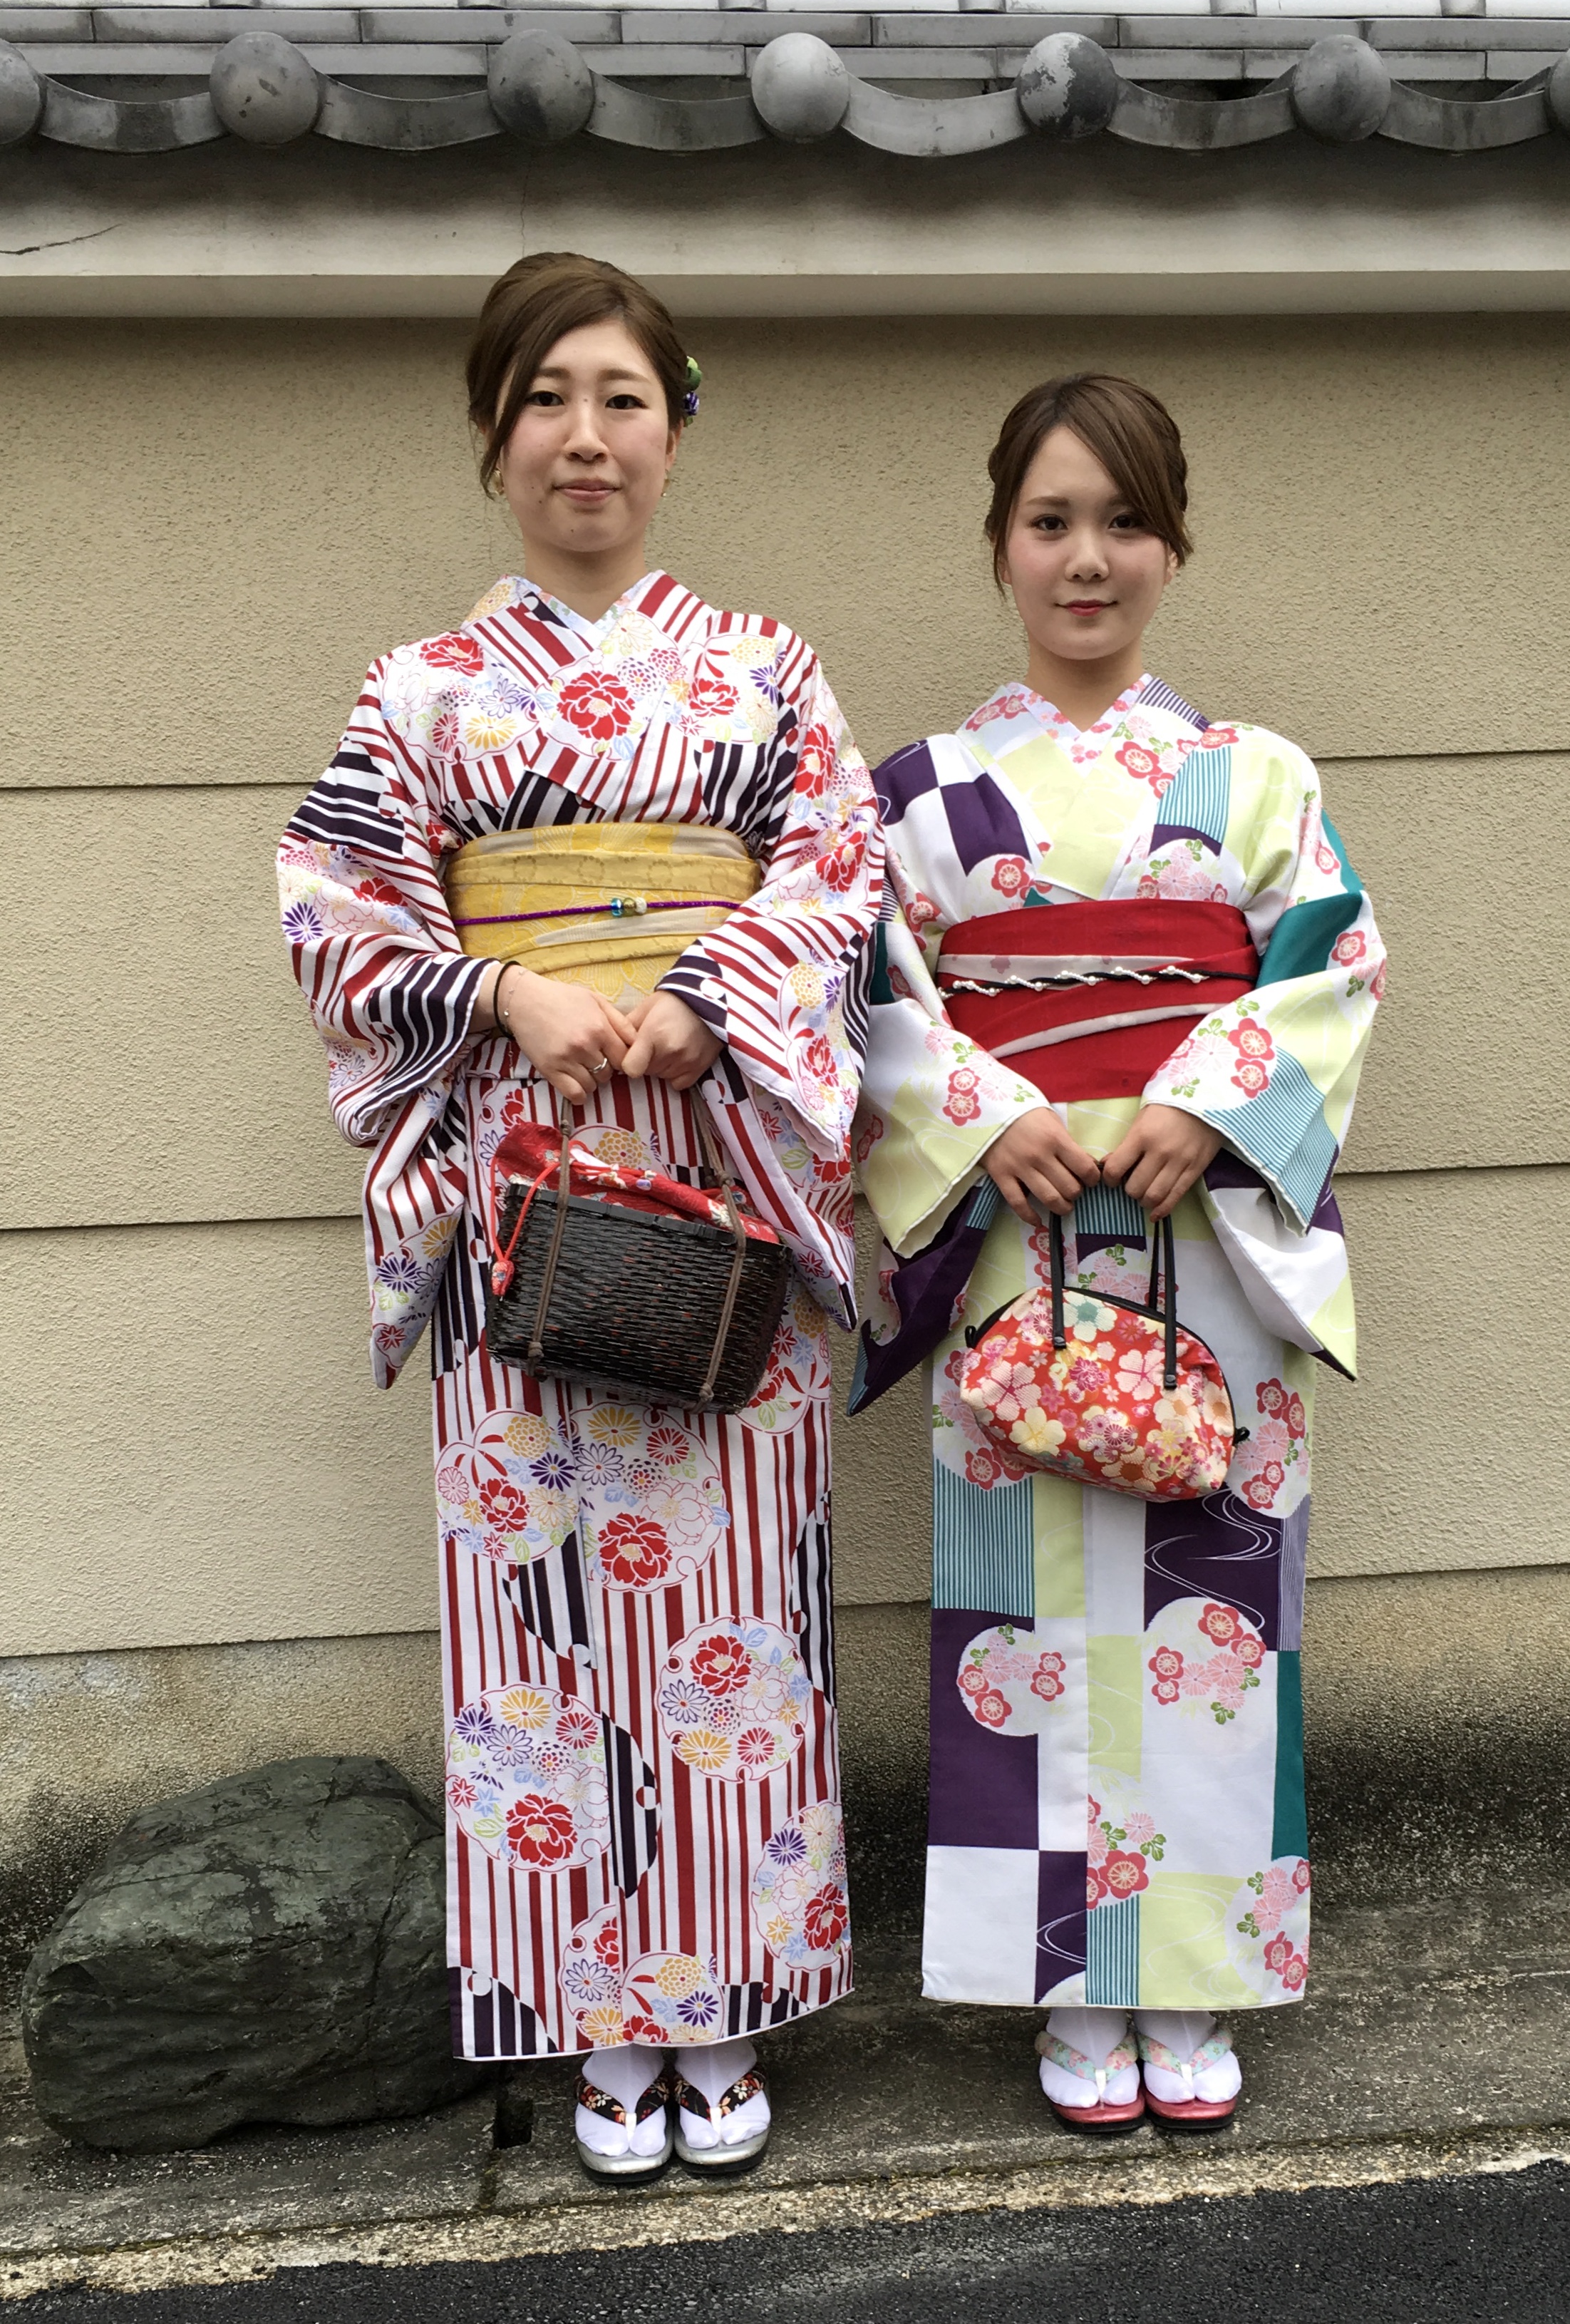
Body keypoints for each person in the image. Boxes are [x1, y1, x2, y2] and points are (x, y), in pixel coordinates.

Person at [277, 252, 881, 2183]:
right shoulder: (418, 692)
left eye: (624, 397)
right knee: (534, 1606)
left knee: (733, 1608)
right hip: (516, 1183)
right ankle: (598, 2016)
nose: (586, 436)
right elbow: (334, 911)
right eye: (545, 397)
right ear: (493, 434)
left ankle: (727, 2000)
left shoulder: (768, 670)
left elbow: (843, 879)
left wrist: (716, 994)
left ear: (675, 430)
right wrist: (501, 988)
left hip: (721, 1169)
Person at [852, 374, 1384, 2132]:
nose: (1088, 558)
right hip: (1015, 1239)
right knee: (1024, 1606)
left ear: (1174, 545)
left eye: (1125, 522)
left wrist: (1213, 1108)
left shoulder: (1262, 777)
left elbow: (1332, 969)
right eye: (1052, 522)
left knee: (1213, 1610)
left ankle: (1198, 1972)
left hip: (1202, 1240)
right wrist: (979, 1115)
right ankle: (1068, 1984)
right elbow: (870, 997)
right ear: (1001, 543)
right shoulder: (914, 795)